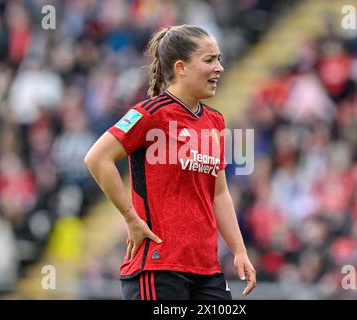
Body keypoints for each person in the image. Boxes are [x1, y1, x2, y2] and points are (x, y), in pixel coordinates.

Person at [84, 24, 256, 300]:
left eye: (219, 59)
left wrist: (239, 250)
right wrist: (131, 218)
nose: (219, 68)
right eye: (209, 60)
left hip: (206, 271)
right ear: (181, 67)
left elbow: (219, 193)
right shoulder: (150, 114)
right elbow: (97, 158)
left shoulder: (215, 121)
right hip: (158, 267)